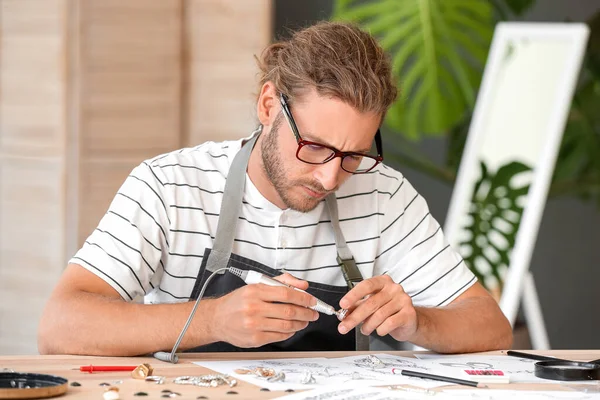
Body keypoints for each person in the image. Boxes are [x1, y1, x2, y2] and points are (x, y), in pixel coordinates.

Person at [38, 21, 512, 356]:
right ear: (269, 105)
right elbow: (60, 324)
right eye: (315, 147)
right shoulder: (169, 185)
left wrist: (418, 322)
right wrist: (212, 320)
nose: (330, 178)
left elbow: (490, 327)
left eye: (352, 155)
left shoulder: (382, 194)